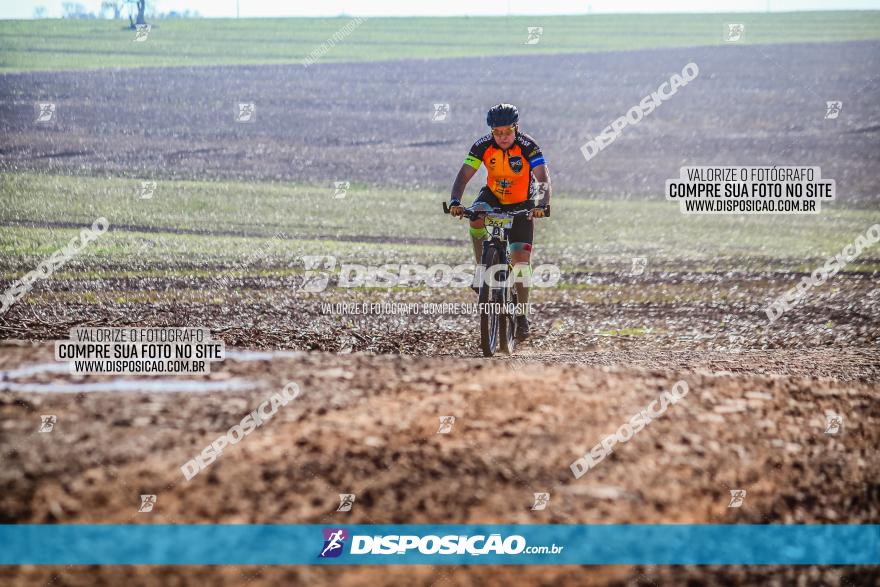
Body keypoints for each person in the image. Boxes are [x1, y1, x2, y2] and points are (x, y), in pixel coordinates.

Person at [448, 103, 551, 340]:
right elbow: (463, 175)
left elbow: (543, 177)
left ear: (516, 128)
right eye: (497, 132)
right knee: (475, 216)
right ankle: (481, 270)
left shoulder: (528, 146)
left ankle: (522, 315)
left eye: (507, 132)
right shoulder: (483, 145)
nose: (502, 137)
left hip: (523, 201)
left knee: (521, 260)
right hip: (493, 196)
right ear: (491, 131)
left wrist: (542, 205)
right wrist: (455, 200)